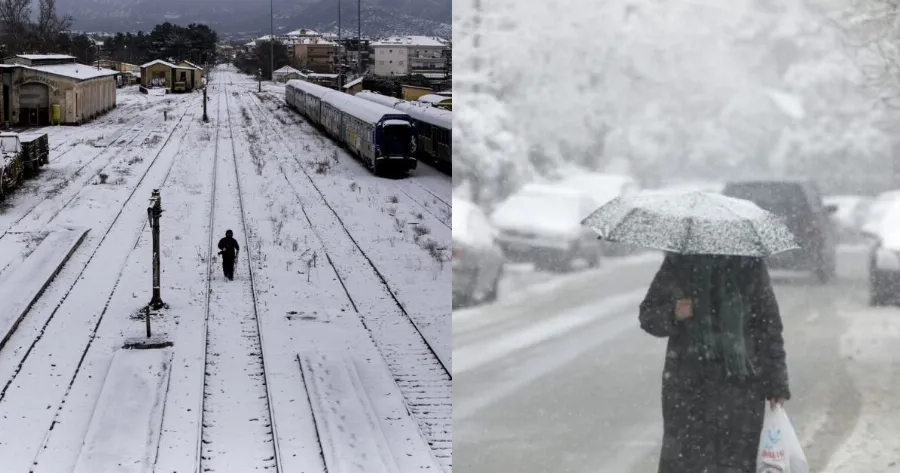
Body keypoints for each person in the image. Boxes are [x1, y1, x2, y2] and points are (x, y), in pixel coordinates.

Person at [639, 253, 790, 473]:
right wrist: (674, 313)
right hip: (689, 390)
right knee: (688, 462)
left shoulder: (749, 264)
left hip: (741, 390)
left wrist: (777, 383)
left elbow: (769, 327)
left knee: (735, 463)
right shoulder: (680, 262)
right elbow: (648, 315)